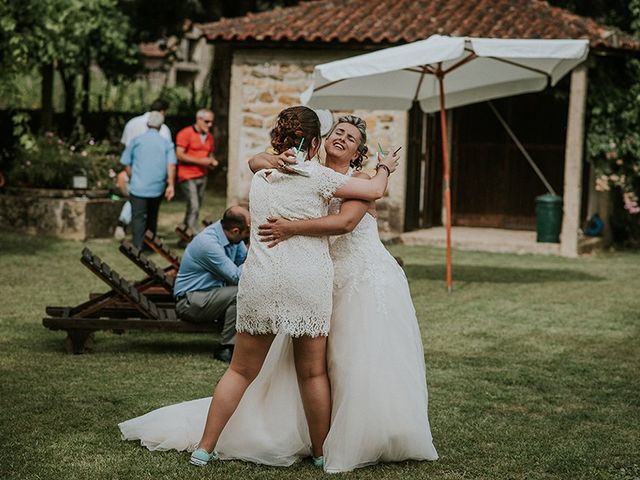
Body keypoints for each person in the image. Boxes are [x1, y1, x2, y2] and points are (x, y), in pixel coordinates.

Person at [119, 106, 399, 469]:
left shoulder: (262, 174)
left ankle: (204, 448)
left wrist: (269, 156)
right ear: (316, 142)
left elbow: (256, 161)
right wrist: (385, 166)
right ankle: (320, 453)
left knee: (238, 371)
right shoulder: (318, 176)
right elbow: (375, 188)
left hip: (260, 280)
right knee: (312, 373)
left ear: (278, 139)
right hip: (306, 280)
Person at [253, 115, 438, 472]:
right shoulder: (309, 174)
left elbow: (346, 223)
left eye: (351, 138)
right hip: (322, 278)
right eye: (337, 132)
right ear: (322, 139)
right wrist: (270, 160)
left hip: (365, 278)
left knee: (359, 358)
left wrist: (290, 228)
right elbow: (257, 162)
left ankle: (373, 433)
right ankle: (317, 432)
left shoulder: (362, 179)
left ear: (357, 153)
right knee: (317, 363)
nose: (342, 138)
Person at [173, 206, 250, 363]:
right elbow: (236, 276)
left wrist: (251, 259)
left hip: (211, 296)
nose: (249, 235)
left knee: (242, 293)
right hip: (191, 302)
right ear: (235, 231)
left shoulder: (231, 236)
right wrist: (256, 253)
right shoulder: (209, 244)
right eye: (247, 232)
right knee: (240, 293)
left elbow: (244, 260)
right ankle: (225, 349)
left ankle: (237, 344)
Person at [115, 99, 172, 240]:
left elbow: (124, 149)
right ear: (163, 112)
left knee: (137, 209)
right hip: (154, 178)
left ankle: (126, 228)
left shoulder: (132, 123)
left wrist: (132, 173)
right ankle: (148, 241)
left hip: (135, 173)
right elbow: (168, 160)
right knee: (150, 214)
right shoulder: (164, 130)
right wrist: (170, 182)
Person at [176, 109, 219, 243]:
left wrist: (212, 161)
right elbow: (179, 155)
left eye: (212, 122)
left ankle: (183, 236)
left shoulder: (209, 137)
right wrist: (202, 161)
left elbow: (209, 154)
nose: (210, 124)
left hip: (202, 175)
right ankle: (192, 238)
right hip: (187, 176)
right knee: (194, 206)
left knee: (194, 207)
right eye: (207, 121)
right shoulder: (185, 133)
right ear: (198, 119)